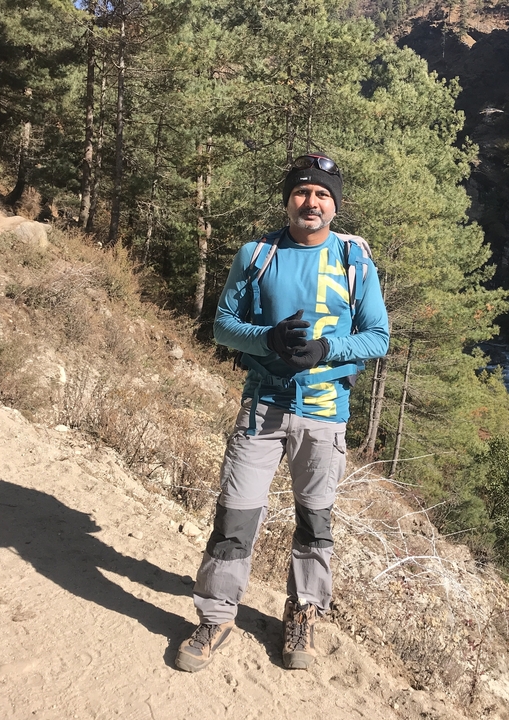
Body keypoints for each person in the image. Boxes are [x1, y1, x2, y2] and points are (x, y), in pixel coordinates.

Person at [176, 154, 390, 672]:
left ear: (334, 205)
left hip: (324, 413)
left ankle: (303, 614)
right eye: (302, 192)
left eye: (322, 194)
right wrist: (265, 338)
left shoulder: (354, 260)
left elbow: (378, 337)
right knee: (235, 515)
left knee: (315, 521)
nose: (311, 202)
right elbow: (223, 326)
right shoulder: (257, 255)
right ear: (288, 200)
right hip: (262, 407)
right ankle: (216, 616)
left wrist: (326, 350)